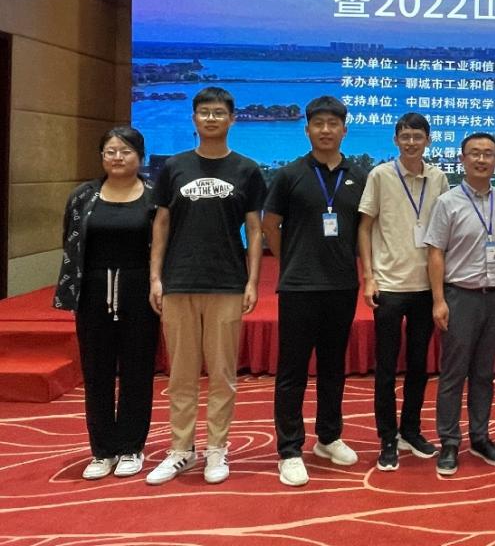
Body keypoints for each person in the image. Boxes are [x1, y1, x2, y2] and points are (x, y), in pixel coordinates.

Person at [146, 86, 266, 486]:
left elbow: (255, 229)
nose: (211, 118)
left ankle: (217, 447)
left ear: (232, 119)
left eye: (218, 113)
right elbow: (161, 224)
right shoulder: (174, 167)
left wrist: (252, 281)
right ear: (194, 119)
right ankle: (181, 449)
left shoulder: (247, 169)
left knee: (222, 374)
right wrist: (155, 277)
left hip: (227, 282)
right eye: (204, 112)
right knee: (180, 375)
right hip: (179, 281)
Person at [262, 96, 367, 487]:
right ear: (307, 130)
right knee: (292, 371)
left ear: (344, 130)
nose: (326, 130)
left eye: (332, 123)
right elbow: (270, 224)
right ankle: (290, 450)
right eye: (318, 123)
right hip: (299, 286)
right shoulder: (290, 174)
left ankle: (328, 437)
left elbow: (365, 229)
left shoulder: (359, 176)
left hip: (342, 285)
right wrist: (290, 259)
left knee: (333, 368)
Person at [54, 127, 160, 480]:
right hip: (93, 290)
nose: (117, 157)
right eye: (110, 151)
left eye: (125, 151)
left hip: (139, 290)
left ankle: (131, 446)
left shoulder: (154, 196)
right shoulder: (83, 196)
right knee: (96, 371)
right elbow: (70, 241)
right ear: (102, 156)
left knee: (137, 370)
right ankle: (102, 450)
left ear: (140, 156)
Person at [358, 112, 449, 471]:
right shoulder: (380, 175)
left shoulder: (438, 178)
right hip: (390, 285)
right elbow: (364, 227)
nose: (411, 142)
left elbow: (445, 230)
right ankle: (387, 437)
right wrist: (369, 276)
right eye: (405, 136)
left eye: (418, 136)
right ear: (396, 140)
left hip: (426, 286)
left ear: (428, 140)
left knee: (418, 365)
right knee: (385, 367)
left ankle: (411, 429)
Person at [425, 132, 495, 477]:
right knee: (453, 373)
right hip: (460, 296)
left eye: (488, 154)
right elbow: (435, 252)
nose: (481, 160)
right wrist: (438, 300)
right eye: (474, 153)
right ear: (462, 159)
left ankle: (480, 436)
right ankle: (449, 441)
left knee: (483, 372)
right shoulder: (447, 202)